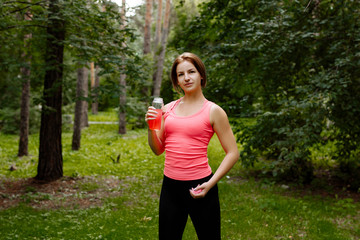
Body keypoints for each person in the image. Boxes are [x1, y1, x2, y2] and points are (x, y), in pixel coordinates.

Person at [145, 52, 239, 240]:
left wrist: (210, 184)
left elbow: (233, 152)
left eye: (191, 72)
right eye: (181, 74)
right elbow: (157, 150)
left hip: (202, 185)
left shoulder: (213, 111)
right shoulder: (167, 109)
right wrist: (151, 128)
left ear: (201, 75)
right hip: (170, 188)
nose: (186, 78)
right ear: (176, 81)